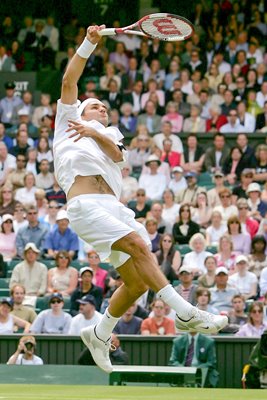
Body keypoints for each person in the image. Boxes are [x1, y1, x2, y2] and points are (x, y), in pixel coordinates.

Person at [53, 24, 227, 373]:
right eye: (95, 106)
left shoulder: (110, 136)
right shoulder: (67, 121)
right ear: (79, 111)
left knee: (135, 282)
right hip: (85, 206)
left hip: (113, 207)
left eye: (104, 108)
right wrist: (89, 42)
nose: (101, 109)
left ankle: (99, 333)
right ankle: (185, 311)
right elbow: (70, 81)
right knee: (138, 244)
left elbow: (118, 157)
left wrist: (95, 132)